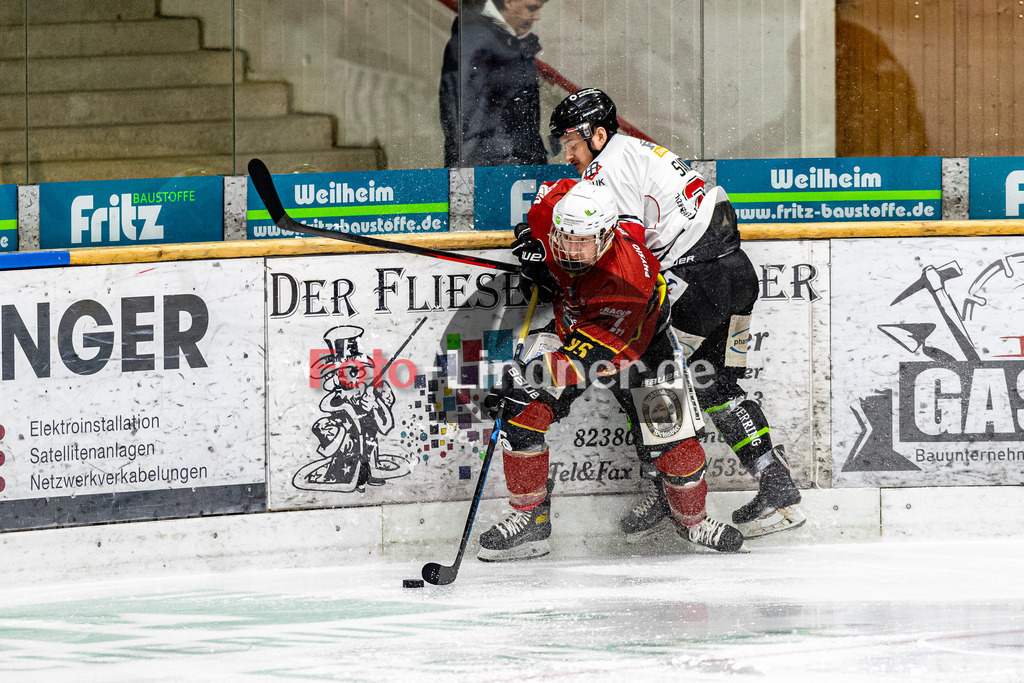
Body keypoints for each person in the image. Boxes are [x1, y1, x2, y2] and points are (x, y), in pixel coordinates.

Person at [547, 88, 805, 539]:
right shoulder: (639, 150)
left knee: (644, 380)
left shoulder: (606, 171)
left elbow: (621, 253)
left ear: (598, 134)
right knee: (715, 382)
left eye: (571, 142)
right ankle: (775, 484)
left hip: (696, 279)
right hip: (735, 274)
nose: (567, 153)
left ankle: (670, 489)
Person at [476, 178, 744, 562]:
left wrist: (524, 375)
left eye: (582, 242)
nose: (571, 249)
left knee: (674, 445)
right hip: (577, 325)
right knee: (521, 411)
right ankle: (531, 519)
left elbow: (581, 363)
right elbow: (557, 186)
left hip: (638, 344)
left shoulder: (626, 283)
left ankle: (692, 520)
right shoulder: (556, 211)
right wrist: (531, 240)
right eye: (563, 238)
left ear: (606, 236)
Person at [439, 0, 550, 168]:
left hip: (508, 172)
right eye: (532, 8)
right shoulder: (475, 41)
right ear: (509, 2)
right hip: (493, 173)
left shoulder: (508, 42)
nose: (537, 16)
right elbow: (464, 124)